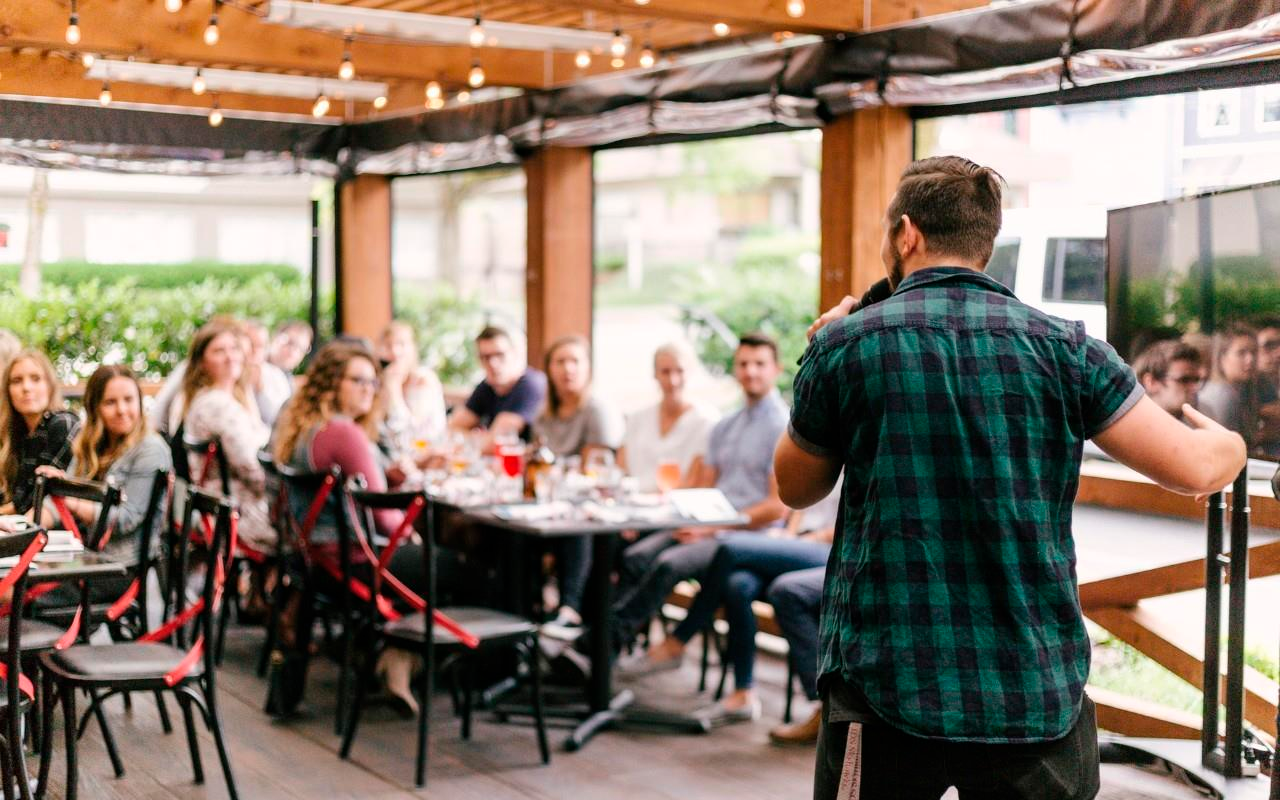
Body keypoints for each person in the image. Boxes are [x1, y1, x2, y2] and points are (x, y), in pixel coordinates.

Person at [776, 156, 1246, 800]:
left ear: (906, 234)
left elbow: (795, 486)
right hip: (1029, 685)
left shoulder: (847, 344)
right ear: (985, 242)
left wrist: (820, 353)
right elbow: (1196, 468)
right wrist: (1233, 441)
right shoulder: (1066, 348)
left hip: (885, 681)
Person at [272, 340, 430, 715]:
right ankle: (403, 654)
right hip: (356, 564)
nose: (368, 389)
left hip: (316, 564)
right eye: (357, 380)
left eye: (373, 382)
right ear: (331, 385)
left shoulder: (307, 428)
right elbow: (383, 518)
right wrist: (412, 530)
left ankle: (389, 652)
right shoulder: (344, 432)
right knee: (464, 567)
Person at [609, 332, 789, 653]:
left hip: (747, 535)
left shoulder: (783, 427)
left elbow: (778, 507)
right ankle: (611, 645)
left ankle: (602, 645)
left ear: (777, 369)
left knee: (668, 564)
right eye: (744, 364)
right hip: (709, 526)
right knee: (634, 556)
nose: (751, 372)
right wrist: (694, 521)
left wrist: (715, 527)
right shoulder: (726, 425)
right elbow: (706, 486)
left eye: (760, 364)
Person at [624, 484, 841, 727]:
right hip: (790, 544)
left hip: (823, 549)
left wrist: (794, 539)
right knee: (737, 585)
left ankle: (678, 640)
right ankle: (743, 694)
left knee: (729, 548)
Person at [35, 364, 171, 601]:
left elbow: (126, 519)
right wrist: (22, 529)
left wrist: (71, 499)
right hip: (85, 557)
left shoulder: (150, 449)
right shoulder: (89, 443)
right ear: (95, 407)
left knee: (22, 594)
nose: (122, 410)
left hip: (120, 568)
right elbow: (57, 506)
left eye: (129, 400)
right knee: (16, 580)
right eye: (110, 402)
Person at [533, 335, 623, 631]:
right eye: (560, 362)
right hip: (550, 505)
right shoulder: (544, 415)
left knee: (575, 524)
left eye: (575, 361)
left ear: (588, 368)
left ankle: (570, 610)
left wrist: (554, 470)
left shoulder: (597, 410)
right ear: (549, 369)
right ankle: (525, 612)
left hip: (593, 509)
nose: (568, 369)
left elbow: (593, 468)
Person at [175, 320, 275, 554]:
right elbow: (252, 468)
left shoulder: (224, 398)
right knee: (311, 533)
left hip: (224, 508)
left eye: (234, 348)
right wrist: (287, 489)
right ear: (201, 362)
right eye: (219, 351)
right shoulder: (216, 405)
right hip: (234, 514)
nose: (231, 356)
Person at [618, 342, 718, 491]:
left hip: (676, 507)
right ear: (655, 374)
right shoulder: (637, 418)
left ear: (690, 373)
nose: (673, 381)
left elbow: (695, 482)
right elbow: (621, 470)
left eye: (680, 371)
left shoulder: (706, 420)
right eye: (665, 372)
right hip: (631, 503)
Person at [0, 349, 79, 516]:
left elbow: (31, 500)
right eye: (16, 381)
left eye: (36, 379)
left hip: (54, 533)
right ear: (7, 391)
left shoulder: (63, 423)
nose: (26, 388)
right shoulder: (14, 433)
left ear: (50, 386)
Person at [449, 326, 547, 439]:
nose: (493, 363)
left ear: (514, 353)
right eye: (485, 357)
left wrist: (473, 437)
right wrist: (481, 438)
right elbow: (452, 429)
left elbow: (497, 441)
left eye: (500, 355)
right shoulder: (487, 386)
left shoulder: (531, 384)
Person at [376, 321, 447, 448]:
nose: (395, 351)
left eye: (401, 344)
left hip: (428, 451)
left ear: (412, 348)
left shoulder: (423, 379)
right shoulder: (383, 379)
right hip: (397, 450)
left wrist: (393, 389)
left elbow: (410, 431)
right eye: (388, 346)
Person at [1198, 323, 1259, 441]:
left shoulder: (1240, 390)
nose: (1250, 359)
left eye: (1254, 352)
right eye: (1241, 353)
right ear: (1222, 357)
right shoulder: (1222, 395)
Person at [1131, 339, 1204, 420]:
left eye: (1196, 380)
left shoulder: (1203, 416)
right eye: (1184, 380)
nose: (1195, 388)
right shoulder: (1128, 426)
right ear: (1151, 382)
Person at [243, 319, 294, 427]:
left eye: (260, 346)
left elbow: (282, 418)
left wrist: (260, 388)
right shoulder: (230, 375)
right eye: (251, 344)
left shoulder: (276, 375)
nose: (255, 351)